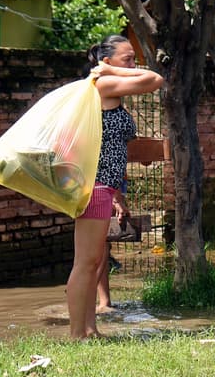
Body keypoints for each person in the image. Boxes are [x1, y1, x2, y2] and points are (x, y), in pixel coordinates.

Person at [67, 36, 164, 339]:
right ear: (107, 61)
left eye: (134, 59)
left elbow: (109, 143)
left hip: (105, 186)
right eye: (127, 58)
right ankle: (77, 334)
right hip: (94, 185)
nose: (133, 65)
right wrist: (109, 70)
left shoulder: (108, 88)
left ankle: (90, 329)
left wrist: (119, 194)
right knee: (85, 262)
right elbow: (155, 79)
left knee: (94, 260)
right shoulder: (103, 84)